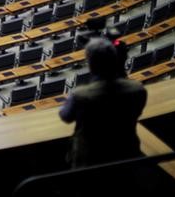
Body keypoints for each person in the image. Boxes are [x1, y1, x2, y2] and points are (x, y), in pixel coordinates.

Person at [59, 37, 147, 167]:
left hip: (90, 159)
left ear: (90, 64)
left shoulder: (81, 95)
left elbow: (65, 116)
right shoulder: (138, 89)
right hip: (126, 153)